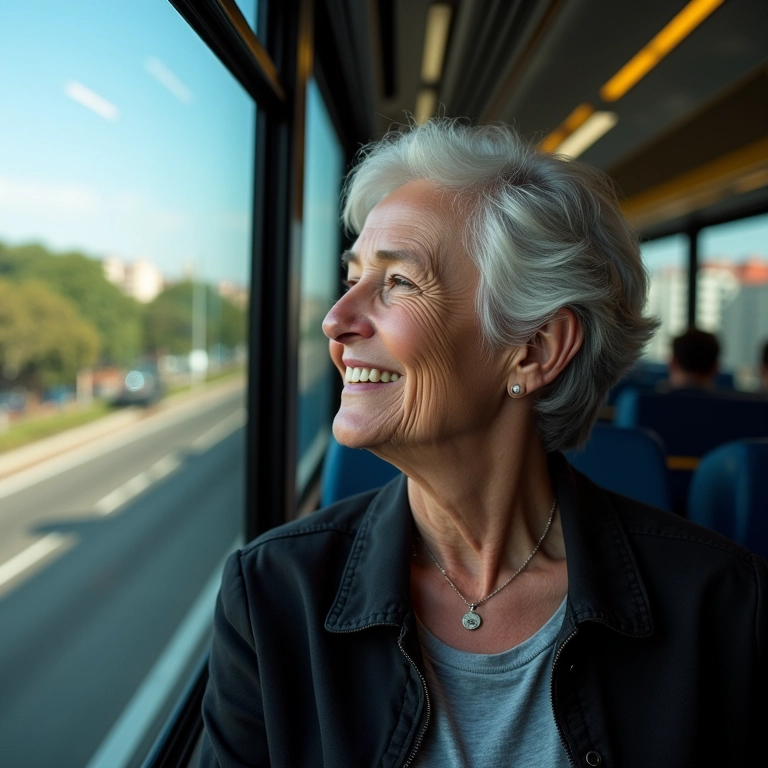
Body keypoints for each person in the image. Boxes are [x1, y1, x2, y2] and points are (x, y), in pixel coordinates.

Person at [199, 121, 767, 767]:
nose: (337, 319)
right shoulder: (274, 591)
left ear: (534, 350)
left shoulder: (724, 604)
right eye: (353, 277)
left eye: (399, 283)